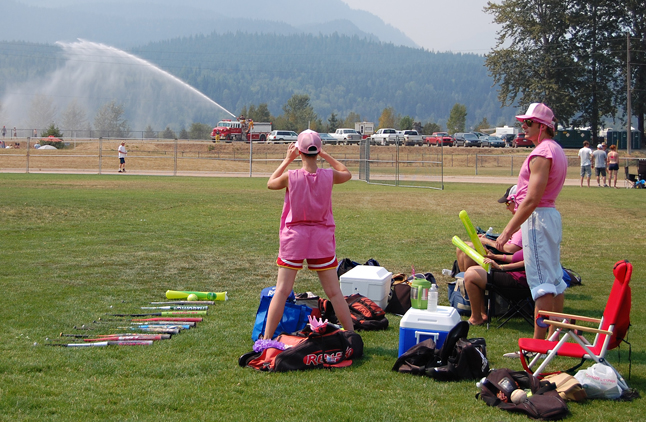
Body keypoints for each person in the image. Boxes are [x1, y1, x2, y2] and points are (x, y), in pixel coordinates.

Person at [262, 130, 354, 340]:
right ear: (317, 151)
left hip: (294, 238)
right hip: (321, 238)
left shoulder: (291, 176)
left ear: (300, 152)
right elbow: (346, 173)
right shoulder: (328, 176)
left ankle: (266, 340)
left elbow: (270, 182)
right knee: (333, 292)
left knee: (282, 291)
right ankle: (351, 336)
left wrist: (287, 159)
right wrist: (325, 155)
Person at [496, 103, 568, 341]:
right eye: (522, 122)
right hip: (549, 217)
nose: (523, 127)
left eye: (528, 123)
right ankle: (552, 339)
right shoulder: (555, 149)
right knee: (554, 279)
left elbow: (532, 199)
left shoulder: (542, 153)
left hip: (539, 220)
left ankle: (537, 344)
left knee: (542, 284)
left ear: (543, 126)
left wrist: (508, 230)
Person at [455, 185, 523, 273]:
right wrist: (488, 239)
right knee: (462, 247)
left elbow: (511, 250)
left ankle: (467, 280)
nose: (506, 207)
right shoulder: (518, 223)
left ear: (516, 201)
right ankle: (462, 279)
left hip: (503, 257)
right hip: (500, 252)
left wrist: (486, 241)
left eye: (507, 203)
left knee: (471, 248)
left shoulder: (525, 224)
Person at [464, 249, 526, 326]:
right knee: (473, 269)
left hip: (519, 282)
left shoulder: (539, 244)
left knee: (471, 276)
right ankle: (481, 314)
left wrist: (501, 267)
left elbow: (527, 262)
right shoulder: (532, 242)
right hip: (512, 273)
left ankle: (476, 318)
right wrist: (494, 256)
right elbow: (516, 257)